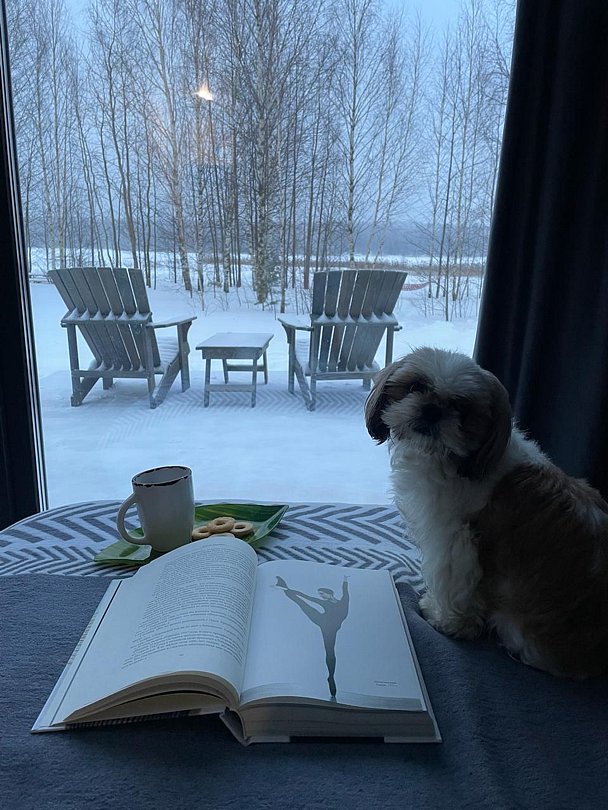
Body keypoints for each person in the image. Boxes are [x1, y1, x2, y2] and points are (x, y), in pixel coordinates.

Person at [276, 574, 350, 700]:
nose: (321, 596)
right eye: (320, 594)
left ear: (330, 593)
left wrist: (345, 580)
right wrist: (291, 590)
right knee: (302, 603)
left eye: (322, 594)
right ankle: (284, 588)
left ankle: (331, 676)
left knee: (330, 653)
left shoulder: (344, 601)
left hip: (330, 628)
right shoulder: (324, 602)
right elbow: (307, 597)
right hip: (322, 622)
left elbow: (345, 591)